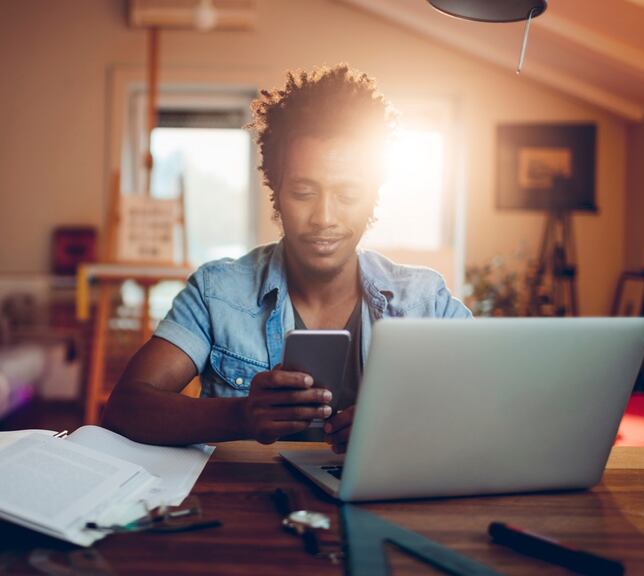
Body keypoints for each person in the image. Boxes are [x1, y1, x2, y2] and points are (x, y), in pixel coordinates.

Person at [102, 64, 471, 452]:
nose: (324, 218)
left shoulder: (425, 300)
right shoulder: (217, 293)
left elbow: (494, 406)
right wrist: (240, 415)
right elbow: (124, 409)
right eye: (303, 193)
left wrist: (407, 423)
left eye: (347, 195)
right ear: (275, 189)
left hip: (384, 490)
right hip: (248, 491)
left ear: (373, 195)